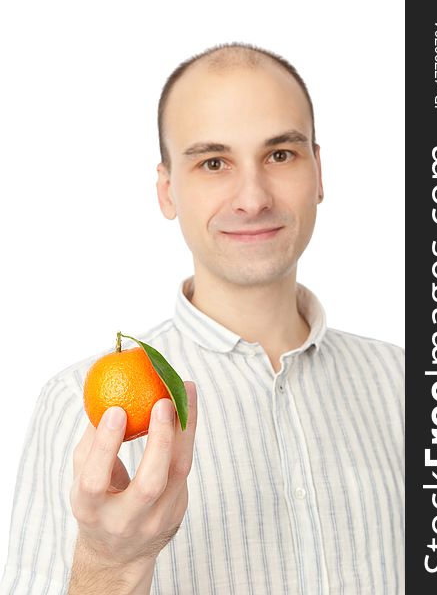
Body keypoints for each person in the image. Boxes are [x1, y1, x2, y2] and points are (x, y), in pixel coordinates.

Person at [0, 42, 404, 594]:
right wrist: (109, 563)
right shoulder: (79, 405)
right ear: (167, 190)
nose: (252, 197)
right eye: (214, 162)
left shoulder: (412, 386)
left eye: (280, 154)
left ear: (319, 172)